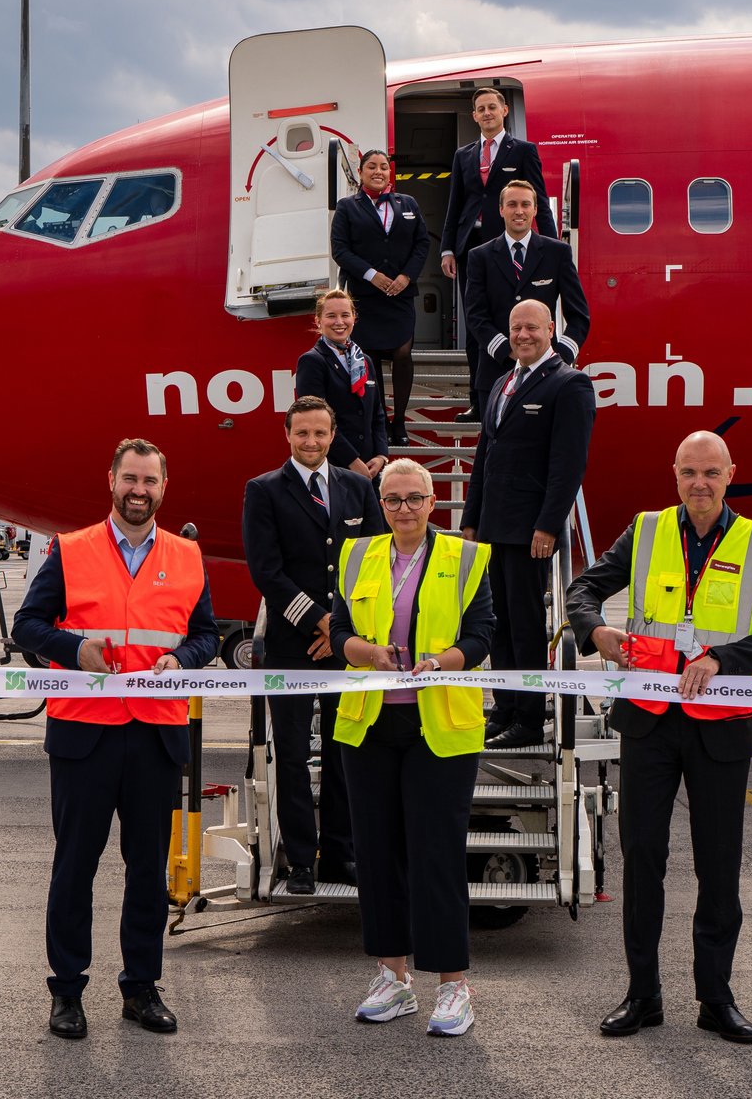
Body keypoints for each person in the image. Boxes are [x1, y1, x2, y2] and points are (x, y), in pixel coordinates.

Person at [566, 431, 752, 1045]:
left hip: (721, 727)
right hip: (647, 721)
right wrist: (596, 632)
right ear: (674, 475)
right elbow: (583, 590)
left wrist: (724, 659)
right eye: (690, 472)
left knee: (718, 868)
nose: (700, 483)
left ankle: (715, 999)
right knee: (643, 862)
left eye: (711, 473)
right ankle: (642, 995)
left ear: (730, 476)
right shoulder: (644, 532)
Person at [12, 437, 219, 1041]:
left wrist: (184, 659)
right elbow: (28, 625)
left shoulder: (187, 555)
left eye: (150, 482)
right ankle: (67, 992)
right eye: (130, 479)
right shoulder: (69, 549)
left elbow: (205, 634)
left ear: (162, 487)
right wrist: (75, 649)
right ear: (111, 480)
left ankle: (140, 987)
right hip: (85, 734)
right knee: (75, 866)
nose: (139, 491)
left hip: (156, 732)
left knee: (148, 870)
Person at [330, 458, 495, 1037]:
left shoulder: (466, 558)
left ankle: (453, 986)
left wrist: (439, 663)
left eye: (414, 498)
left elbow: (481, 636)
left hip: (440, 725)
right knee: (376, 854)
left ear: (433, 503)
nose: (403, 509)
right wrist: (369, 653)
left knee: (436, 855)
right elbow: (339, 631)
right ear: (382, 504)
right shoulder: (356, 556)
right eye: (393, 499)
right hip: (371, 724)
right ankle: (393, 977)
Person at [242, 396, 384, 895]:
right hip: (290, 647)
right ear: (287, 434)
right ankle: (301, 859)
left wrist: (340, 633)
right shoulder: (263, 491)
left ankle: (340, 854)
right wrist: (320, 624)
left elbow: (375, 562)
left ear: (332, 433)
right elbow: (267, 571)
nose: (312, 442)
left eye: (320, 434)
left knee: (347, 749)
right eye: (302, 434)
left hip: (345, 648)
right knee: (294, 754)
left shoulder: (358, 488)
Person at [461, 300, 594, 748]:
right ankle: (504, 707)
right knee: (496, 622)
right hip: (494, 526)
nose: (522, 335)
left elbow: (567, 465)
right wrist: (471, 521)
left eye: (531, 328)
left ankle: (530, 719)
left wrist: (549, 525)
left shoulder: (569, 384)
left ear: (551, 330)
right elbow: (485, 458)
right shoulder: (502, 382)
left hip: (530, 531)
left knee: (526, 626)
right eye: (516, 327)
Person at [440, 87, 556, 423]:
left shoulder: (522, 151)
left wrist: (548, 246)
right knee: (476, 324)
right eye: (481, 109)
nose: (487, 113)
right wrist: (448, 247)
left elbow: (539, 200)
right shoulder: (464, 155)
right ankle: (479, 401)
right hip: (470, 247)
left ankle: (523, 389)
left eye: (493, 107)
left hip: (510, 246)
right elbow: (455, 205)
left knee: (514, 321)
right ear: (474, 116)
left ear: (504, 110)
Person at [463, 179, 590, 419]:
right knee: (494, 449)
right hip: (495, 372)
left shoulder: (557, 253)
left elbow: (579, 316)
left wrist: (559, 356)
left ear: (535, 209)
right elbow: (475, 315)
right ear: (501, 210)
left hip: (547, 376)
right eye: (512, 204)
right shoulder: (479, 257)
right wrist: (507, 351)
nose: (519, 211)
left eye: (525, 204)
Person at [330, 150, 430, 445]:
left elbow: (422, 243)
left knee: (402, 353)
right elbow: (341, 250)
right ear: (360, 173)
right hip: (366, 294)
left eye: (384, 167)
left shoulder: (408, 203)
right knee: (370, 359)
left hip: (400, 294)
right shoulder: (348, 207)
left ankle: (399, 421)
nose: (378, 171)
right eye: (371, 167)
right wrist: (372, 275)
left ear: (390, 172)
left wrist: (406, 277)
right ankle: (379, 420)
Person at [294, 290, 389, 478]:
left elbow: (377, 413)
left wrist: (381, 456)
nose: (339, 322)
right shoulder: (312, 361)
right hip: (334, 467)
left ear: (354, 318)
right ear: (318, 321)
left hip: (370, 468)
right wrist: (352, 461)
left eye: (345, 315)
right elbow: (315, 420)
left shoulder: (364, 361)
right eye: (331, 316)